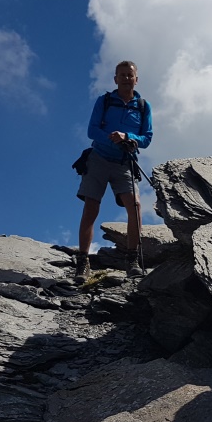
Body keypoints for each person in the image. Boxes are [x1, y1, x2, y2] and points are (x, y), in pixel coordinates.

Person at [74, 60, 153, 284]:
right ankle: (83, 262)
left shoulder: (143, 106)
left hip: (125, 162)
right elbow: (92, 130)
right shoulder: (105, 100)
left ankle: (132, 260)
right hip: (98, 159)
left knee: (135, 207)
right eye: (122, 75)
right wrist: (112, 138)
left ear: (136, 79)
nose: (126, 78)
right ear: (115, 79)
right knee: (91, 207)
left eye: (130, 75)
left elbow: (147, 138)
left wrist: (128, 137)